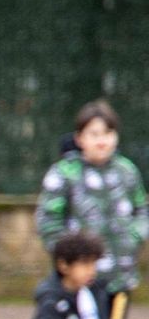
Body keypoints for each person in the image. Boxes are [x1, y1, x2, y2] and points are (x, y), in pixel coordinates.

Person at [37, 100, 146, 299]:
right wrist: (68, 259)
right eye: (94, 134)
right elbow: (48, 220)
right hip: (79, 283)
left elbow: (141, 210)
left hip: (120, 277)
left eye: (107, 133)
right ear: (79, 138)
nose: (101, 141)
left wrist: (133, 238)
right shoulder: (64, 173)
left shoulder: (127, 171)